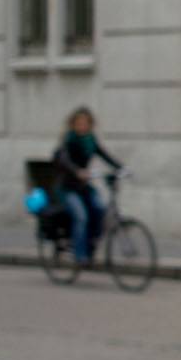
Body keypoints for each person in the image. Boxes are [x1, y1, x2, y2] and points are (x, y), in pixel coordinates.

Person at [53, 106, 127, 265]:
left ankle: (90, 246)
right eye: (79, 123)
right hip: (67, 188)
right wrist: (77, 171)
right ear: (73, 124)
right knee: (81, 216)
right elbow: (65, 159)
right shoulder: (69, 140)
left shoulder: (90, 140)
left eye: (85, 123)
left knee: (100, 209)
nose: (82, 126)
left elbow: (104, 154)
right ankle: (80, 256)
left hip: (83, 186)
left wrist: (120, 168)